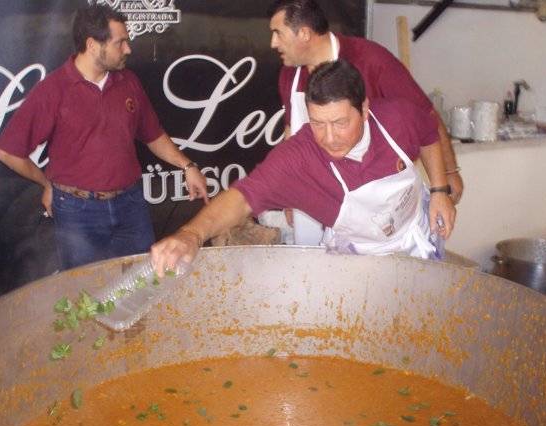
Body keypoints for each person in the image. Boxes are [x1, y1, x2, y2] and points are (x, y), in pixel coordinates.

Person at [150, 60, 456, 274]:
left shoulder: (398, 117)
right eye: (318, 123)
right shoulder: (299, 157)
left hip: (418, 239)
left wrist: (440, 190)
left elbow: (429, 135)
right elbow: (242, 197)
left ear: (364, 109)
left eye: (340, 123)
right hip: (361, 261)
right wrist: (191, 234)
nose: (329, 138)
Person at [0, 4, 208, 270]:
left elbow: (153, 135)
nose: (128, 50)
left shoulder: (128, 82)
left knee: (143, 283)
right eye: (121, 43)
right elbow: (7, 151)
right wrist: (46, 183)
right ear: (92, 44)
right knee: (86, 294)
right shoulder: (53, 90)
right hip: (77, 211)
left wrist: (187, 166)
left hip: (130, 204)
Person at [262, 0, 462, 245]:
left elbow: (426, 119)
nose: (273, 43)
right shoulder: (289, 74)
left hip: (374, 200)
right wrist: (290, 193)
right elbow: (291, 133)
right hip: (317, 194)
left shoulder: (372, 60)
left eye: (278, 34)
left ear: (304, 33)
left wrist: (445, 179)